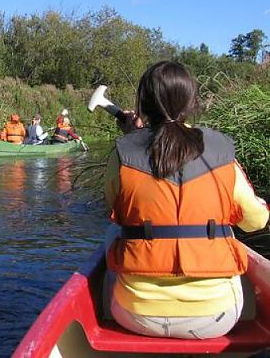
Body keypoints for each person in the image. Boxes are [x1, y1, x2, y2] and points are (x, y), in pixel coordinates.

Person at [104, 61, 269, 339]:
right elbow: (256, 221)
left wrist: (135, 138)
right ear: (191, 102)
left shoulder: (122, 152)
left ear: (142, 107)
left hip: (135, 315)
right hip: (216, 319)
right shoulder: (221, 151)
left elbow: (114, 208)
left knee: (114, 234)